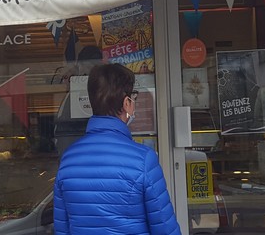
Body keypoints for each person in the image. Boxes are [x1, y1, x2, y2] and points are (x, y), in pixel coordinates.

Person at [54, 63, 181, 235]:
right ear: (127, 103)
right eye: (133, 96)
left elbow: (62, 229)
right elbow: (165, 229)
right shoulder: (144, 159)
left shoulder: (68, 160)